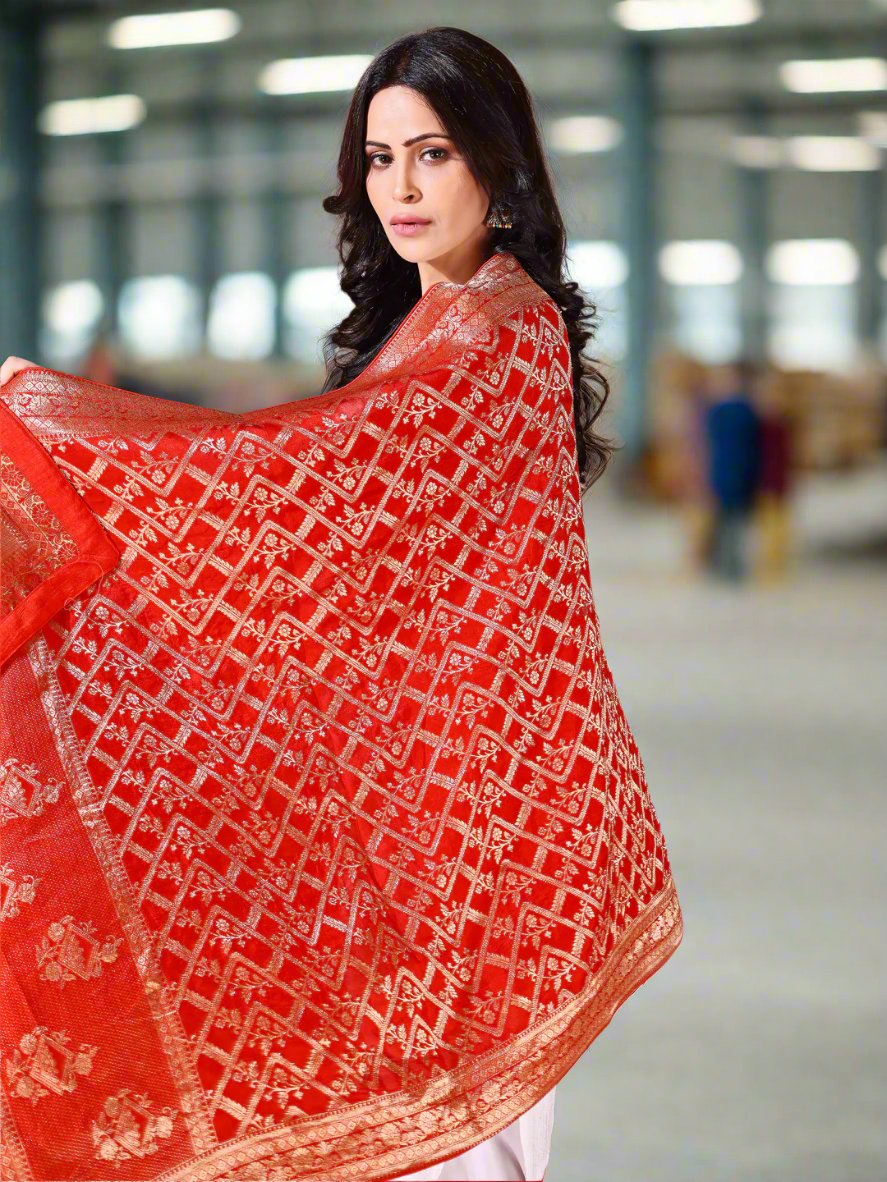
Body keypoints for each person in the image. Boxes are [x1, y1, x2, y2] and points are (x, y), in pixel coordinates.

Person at [0, 27, 682, 1182]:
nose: (401, 189)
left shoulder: (494, 334)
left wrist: (48, 424)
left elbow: (292, 480)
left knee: (463, 1147)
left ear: (496, 169)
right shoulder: (429, 331)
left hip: (478, 811)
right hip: (423, 790)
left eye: (433, 155)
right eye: (378, 159)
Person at [701, 359, 761, 583]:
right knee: (724, 524)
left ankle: (732, 567)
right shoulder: (720, 410)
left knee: (735, 524)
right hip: (724, 474)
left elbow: (753, 446)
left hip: (739, 474)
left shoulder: (744, 410)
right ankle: (725, 567)